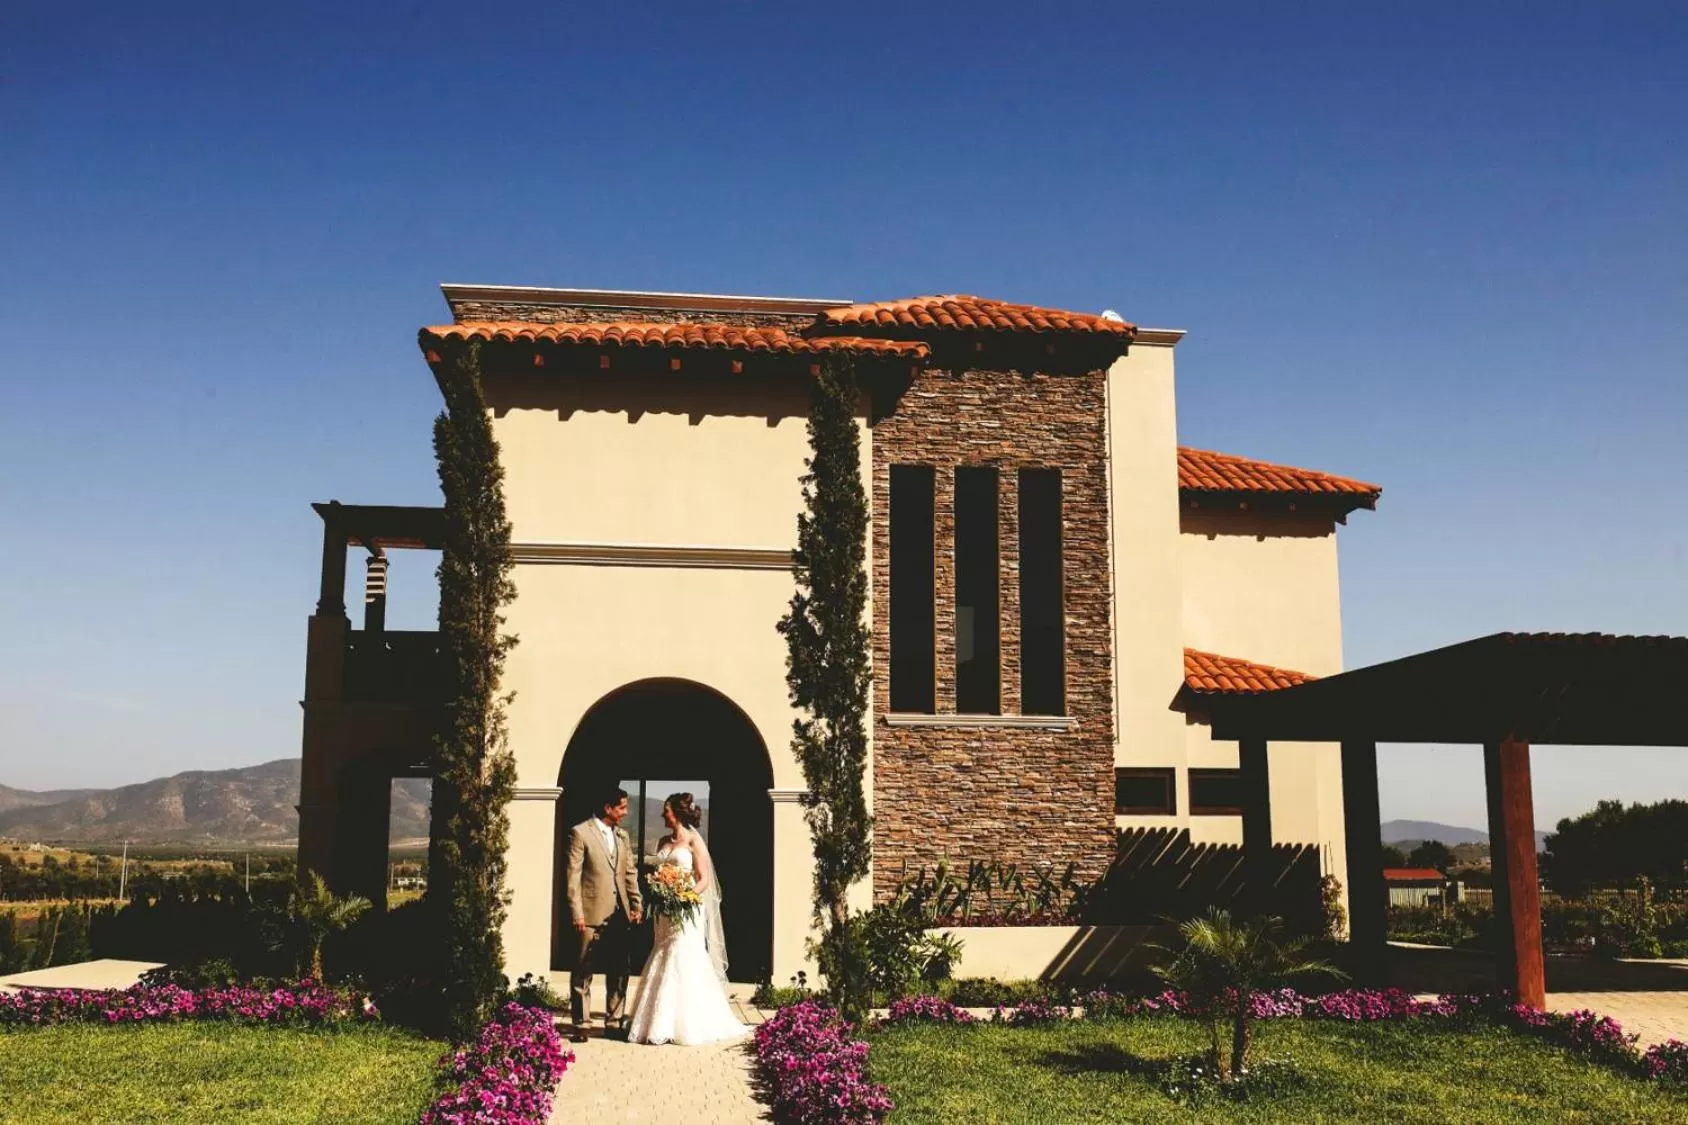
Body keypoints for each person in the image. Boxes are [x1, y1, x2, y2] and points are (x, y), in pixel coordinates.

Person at [626, 792, 747, 1046]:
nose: (663, 814)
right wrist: (660, 891)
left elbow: (702, 878)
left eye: (666, 811)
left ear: (677, 814)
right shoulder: (662, 841)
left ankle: (685, 1022)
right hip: (664, 909)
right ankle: (655, 1020)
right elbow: (658, 871)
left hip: (687, 907)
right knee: (662, 951)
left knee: (682, 954)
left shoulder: (693, 841)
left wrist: (684, 895)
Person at [565, 785, 642, 1043]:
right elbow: (572, 877)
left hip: (619, 915)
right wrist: (577, 913)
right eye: (622, 807)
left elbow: (629, 872)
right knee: (583, 970)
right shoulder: (580, 832)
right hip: (589, 913)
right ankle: (581, 1024)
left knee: (620, 969)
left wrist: (636, 904)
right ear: (607, 808)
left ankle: (613, 1022)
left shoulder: (622, 836)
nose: (625, 811)